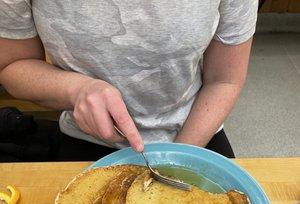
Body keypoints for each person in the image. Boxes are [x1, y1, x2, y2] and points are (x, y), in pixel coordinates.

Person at [0, 1, 258, 161]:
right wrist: (76, 89)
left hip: (194, 132)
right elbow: (12, 65)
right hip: (85, 139)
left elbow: (224, 79)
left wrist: (178, 156)